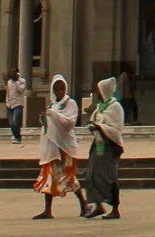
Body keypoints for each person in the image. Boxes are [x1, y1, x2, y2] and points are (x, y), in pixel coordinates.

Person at [32, 75, 81, 219]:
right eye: (56, 89)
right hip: (52, 148)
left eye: (62, 88)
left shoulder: (70, 104)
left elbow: (69, 123)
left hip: (65, 147)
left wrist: (53, 115)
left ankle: (83, 204)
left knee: (69, 178)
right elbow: (49, 126)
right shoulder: (52, 105)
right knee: (49, 178)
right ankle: (48, 210)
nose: (59, 91)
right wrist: (44, 118)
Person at [80, 75, 126, 221]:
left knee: (109, 176)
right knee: (91, 174)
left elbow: (116, 128)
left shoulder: (115, 107)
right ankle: (98, 204)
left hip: (111, 146)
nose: (97, 93)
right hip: (99, 144)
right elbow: (94, 120)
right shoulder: (100, 107)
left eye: (99, 91)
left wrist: (101, 127)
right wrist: (93, 126)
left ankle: (115, 208)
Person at [4, 70, 28, 144]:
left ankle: (18, 137)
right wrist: (7, 101)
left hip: (18, 104)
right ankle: (15, 135)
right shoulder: (9, 82)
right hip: (10, 104)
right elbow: (8, 92)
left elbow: (21, 90)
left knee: (16, 121)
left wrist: (17, 82)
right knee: (11, 123)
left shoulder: (22, 81)